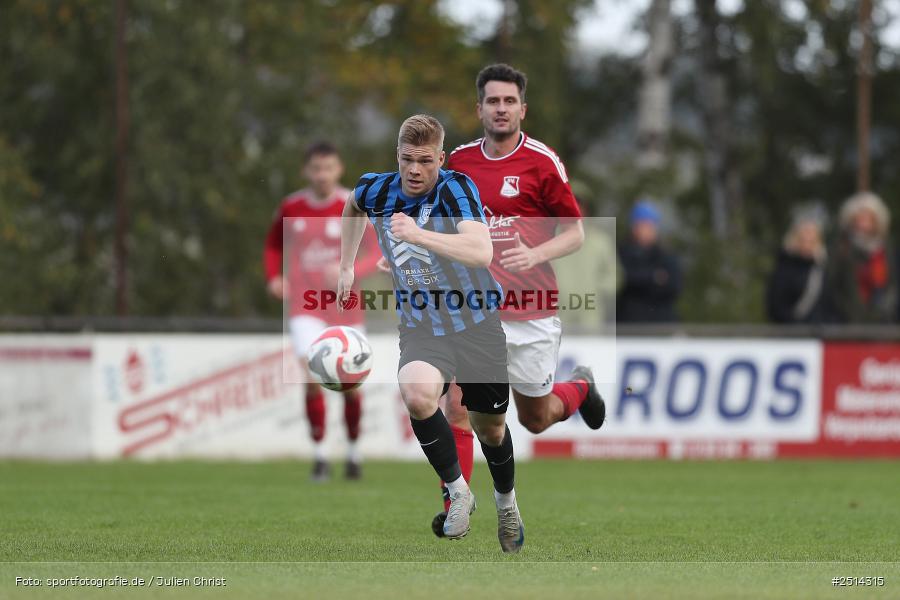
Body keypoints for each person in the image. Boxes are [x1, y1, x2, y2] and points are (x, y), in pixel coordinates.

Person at [414, 64, 606, 537]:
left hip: (532, 310)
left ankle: (580, 388)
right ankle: (456, 506)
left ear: (523, 109)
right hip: (474, 310)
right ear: (479, 108)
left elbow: (576, 233)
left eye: (509, 101)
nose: (501, 109)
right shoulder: (458, 163)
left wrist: (535, 254)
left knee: (535, 419)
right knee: (457, 405)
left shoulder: (542, 162)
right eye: (493, 101)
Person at [339, 114, 525, 553]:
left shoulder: (455, 189)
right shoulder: (377, 189)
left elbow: (481, 251)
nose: (415, 170)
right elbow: (353, 204)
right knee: (418, 394)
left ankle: (506, 503)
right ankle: (458, 492)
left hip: (476, 322)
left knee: (491, 429)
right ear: (397, 156)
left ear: (441, 159)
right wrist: (346, 264)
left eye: (425, 160)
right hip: (423, 324)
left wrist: (419, 236)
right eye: (407, 159)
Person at [264, 141, 380, 482]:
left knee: (350, 384)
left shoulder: (352, 205)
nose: (322, 175)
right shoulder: (292, 206)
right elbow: (273, 245)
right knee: (312, 378)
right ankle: (320, 455)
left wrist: (352, 269)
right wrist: (274, 276)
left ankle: (354, 452)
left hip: (346, 308)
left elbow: (377, 250)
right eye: (316, 168)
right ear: (306, 171)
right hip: (305, 305)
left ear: (339, 169)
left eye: (328, 168)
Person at [826, 191, 898, 323]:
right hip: (848, 319)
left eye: (868, 217)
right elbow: (833, 285)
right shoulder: (842, 248)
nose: (863, 222)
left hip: (882, 319)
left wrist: (887, 309)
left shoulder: (886, 249)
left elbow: (892, 282)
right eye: (859, 217)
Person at [616, 200, 681, 322]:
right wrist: (654, 277)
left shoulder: (666, 254)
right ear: (633, 227)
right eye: (642, 225)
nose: (647, 229)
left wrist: (640, 279)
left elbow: (674, 286)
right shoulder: (621, 253)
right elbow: (623, 280)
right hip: (629, 323)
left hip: (661, 323)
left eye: (650, 225)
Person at [766, 216, 827, 324]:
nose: (807, 245)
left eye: (811, 241)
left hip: (819, 330)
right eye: (803, 240)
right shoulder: (784, 269)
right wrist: (794, 324)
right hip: (793, 331)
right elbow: (776, 306)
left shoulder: (821, 270)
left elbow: (829, 305)